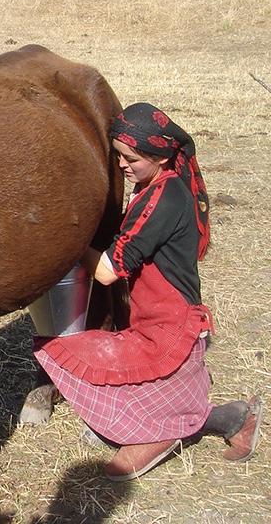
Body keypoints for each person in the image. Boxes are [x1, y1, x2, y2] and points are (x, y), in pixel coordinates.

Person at [33, 102, 263, 481]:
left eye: (131, 158)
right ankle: (226, 418)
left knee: (58, 350)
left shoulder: (164, 198)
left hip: (169, 325)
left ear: (159, 155)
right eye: (118, 155)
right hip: (154, 318)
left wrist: (67, 243)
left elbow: (107, 272)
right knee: (125, 384)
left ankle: (172, 430)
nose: (122, 165)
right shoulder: (153, 185)